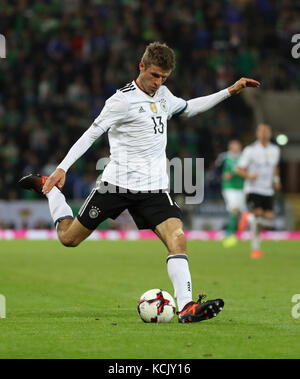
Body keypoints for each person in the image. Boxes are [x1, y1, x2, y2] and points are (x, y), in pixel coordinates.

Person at [19, 42, 260, 322]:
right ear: (141, 66)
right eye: (155, 75)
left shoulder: (165, 95)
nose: (158, 83)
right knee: (69, 239)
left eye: (164, 78)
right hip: (115, 185)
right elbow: (91, 133)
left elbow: (190, 108)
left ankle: (187, 307)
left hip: (154, 188)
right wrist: (62, 169)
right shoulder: (120, 101)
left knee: (178, 240)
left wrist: (230, 90)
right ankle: (49, 191)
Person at [236, 123, 281, 259]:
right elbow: (239, 169)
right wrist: (249, 176)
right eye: (261, 131)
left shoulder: (275, 150)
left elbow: (275, 167)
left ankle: (247, 218)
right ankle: (255, 249)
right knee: (258, 216)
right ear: (257, 133)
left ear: (270, 133)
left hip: (267, 190)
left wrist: (277, 180)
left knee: (267, 219)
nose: (264, 133)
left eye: (266, 131)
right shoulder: (250, 150)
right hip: (253, 188)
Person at [216, 140, 246, 248]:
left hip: (242, 187)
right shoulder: (224, 157)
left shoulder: (244, 157)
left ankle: (235, 233)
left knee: (243, 212)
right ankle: (230, 233)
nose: (235, 147)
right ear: (229, 146)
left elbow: (247, 172)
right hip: (229, 187)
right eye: (233, 145)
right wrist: (233, 172)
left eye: (237, 145)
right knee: (234, 208)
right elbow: (221, 173)